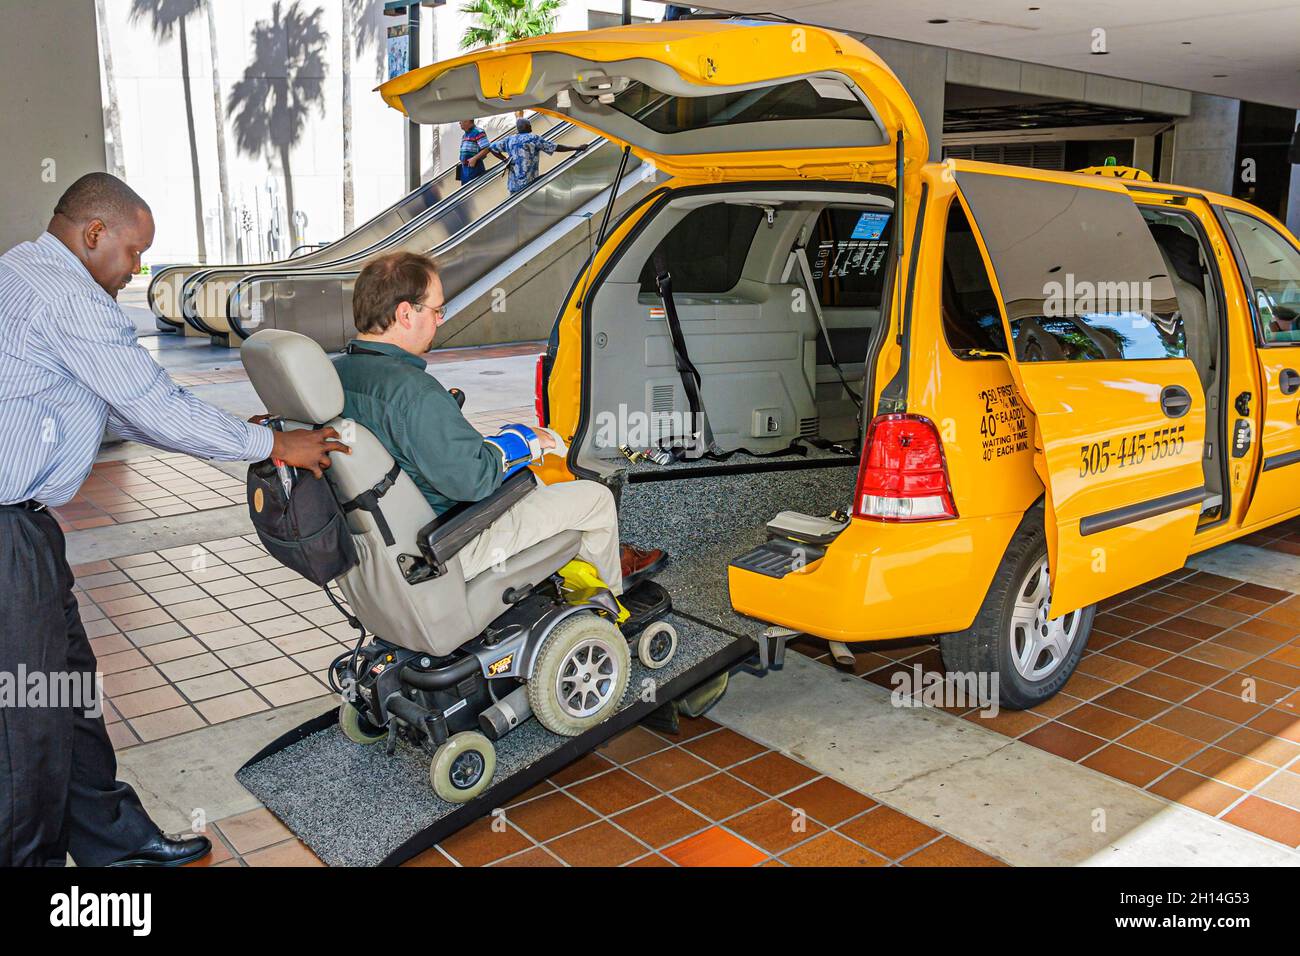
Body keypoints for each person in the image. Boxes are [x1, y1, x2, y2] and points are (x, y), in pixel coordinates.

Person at [0, 173, 347, 867]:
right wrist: (276, 445)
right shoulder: (68, 297)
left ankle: (111, 839)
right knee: (27, 726)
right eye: (133, 252)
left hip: (25, 529)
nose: (135, 270)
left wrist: (234, 434)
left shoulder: (22, 266)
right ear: (93, 234)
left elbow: (129, 409)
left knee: (66, 686)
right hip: (6, 534)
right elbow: (153, 404)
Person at [332, 250, 664, 593]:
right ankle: (607, 610)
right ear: (405, 313)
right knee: (594, 499)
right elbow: (473, 480)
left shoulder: (336, 377)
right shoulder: (412, 392)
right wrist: (526, 441)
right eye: (436, 310)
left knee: (537, 484)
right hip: (450, 539)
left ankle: (588, 567)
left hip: (388, 541)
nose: (440, 320)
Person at [498, 117, 588, 196]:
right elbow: (555, 147)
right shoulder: (532, 138)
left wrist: (504, 159)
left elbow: (491, 148)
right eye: (529, 125)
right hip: (529, 184)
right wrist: (577, 148)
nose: (531, 127)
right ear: (525, 126)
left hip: (513, 186)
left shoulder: (509, 139)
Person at [456, 119, 494, 186]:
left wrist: (474, 158)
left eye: (461, 120)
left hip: (474, 168)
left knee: (473, 191)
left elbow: (487, 148)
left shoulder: (478, 132)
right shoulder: (465, 135)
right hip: (465, 169)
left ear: (467, 120)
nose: (459, 123)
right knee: (465, 192)